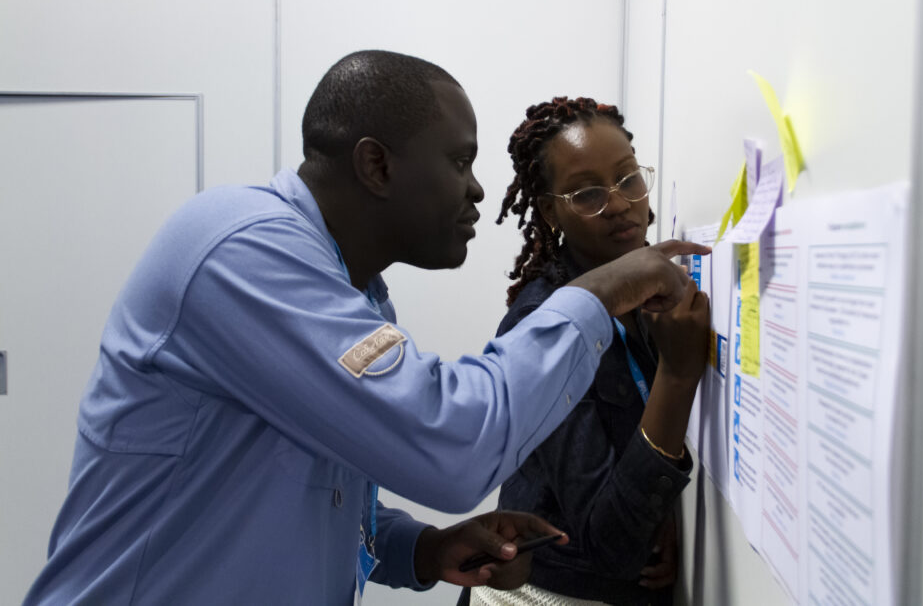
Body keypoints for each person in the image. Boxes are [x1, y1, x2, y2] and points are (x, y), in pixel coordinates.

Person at [23, 53, 708, 605]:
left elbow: (324, 496)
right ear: (377, 165)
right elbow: (454, 444)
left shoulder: (356, 292)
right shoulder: (240, 249)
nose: (475, 191)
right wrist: (599, 291)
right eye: (459, 161)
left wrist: (425, 549)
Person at [466, 97, 709, 606]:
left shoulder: (644, 288)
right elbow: (611, 546)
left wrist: (660, 511)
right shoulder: (542, 323)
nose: (619, 204)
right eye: (587, 193)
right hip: (544, 596)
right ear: (551, 210)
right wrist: (678, 374)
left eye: (628, 180)